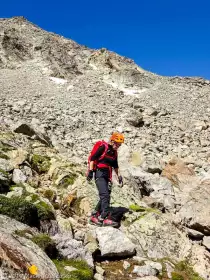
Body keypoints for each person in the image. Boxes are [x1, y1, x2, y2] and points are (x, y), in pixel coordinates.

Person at [87, 132, 124, 227]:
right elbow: (92, 158)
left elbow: (115, 165)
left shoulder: (114, 153)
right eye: (116, 144)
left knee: (106, 195)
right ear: (112, 141)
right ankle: (104, 217)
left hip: (108, 175)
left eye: (119, 145)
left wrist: (119, 176)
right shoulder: (103, 147)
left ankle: (95, 214)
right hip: (99, 173)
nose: (117, 146)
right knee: (105, 195)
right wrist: (91, 171)